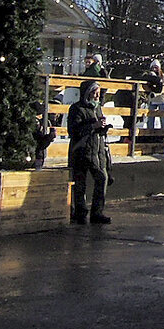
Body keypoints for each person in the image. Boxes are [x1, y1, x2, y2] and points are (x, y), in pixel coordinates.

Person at [67, 80, 112, 224]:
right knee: (80, 183)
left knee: (102, 178)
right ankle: (80, 212)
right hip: (81, 151)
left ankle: (97, 212)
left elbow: (95, 129)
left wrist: (102, 128)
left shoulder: (97, 108)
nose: (97, 96)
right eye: (94, 93)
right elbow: (74, 130)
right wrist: (93, 125)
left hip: (97, 152)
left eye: (98, 93)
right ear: (87, 93)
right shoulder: (76, 109)